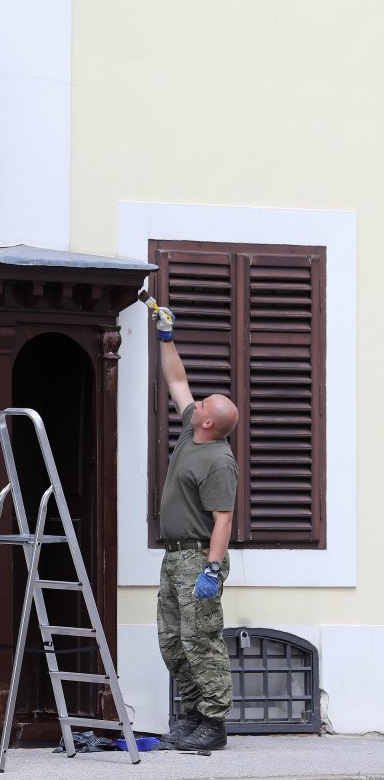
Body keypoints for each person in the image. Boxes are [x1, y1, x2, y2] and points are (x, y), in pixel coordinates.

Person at [152, 304, 239, 751]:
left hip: (198, 557)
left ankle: (213, 722)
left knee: (201, 639)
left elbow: (223, 519)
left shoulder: (219, 461)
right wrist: (167, 338)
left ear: (210, 423)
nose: (196, 401)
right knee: (171, 640)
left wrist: (211, 569)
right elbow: (177, 380)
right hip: (174, 554)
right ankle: (191, 714)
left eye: (203, 405)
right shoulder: (192, 430)